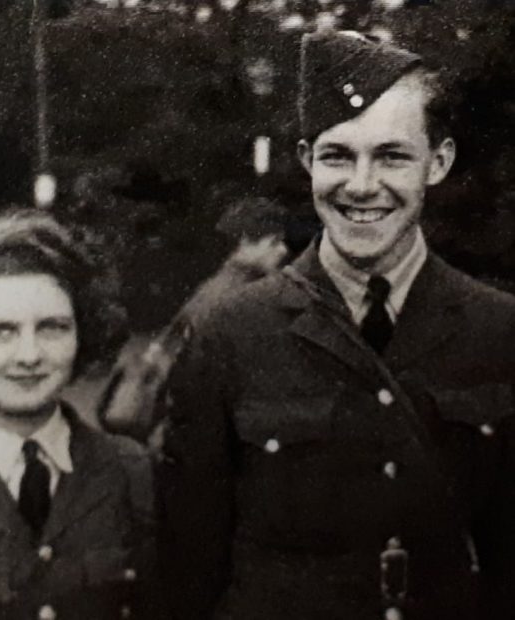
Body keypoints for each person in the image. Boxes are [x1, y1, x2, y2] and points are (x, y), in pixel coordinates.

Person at [156, 31, 515, 620]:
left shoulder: (498, 331)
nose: (362, 185)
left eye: (393, 156)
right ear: (306, 162)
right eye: (338, 155)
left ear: (438, 163)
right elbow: (185, 574)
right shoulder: (229, 335)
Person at [0, 208, 159, 619]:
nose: (30, 355)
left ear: (81, 332)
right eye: (1, 331)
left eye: (53, 327)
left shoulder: (134, 473)